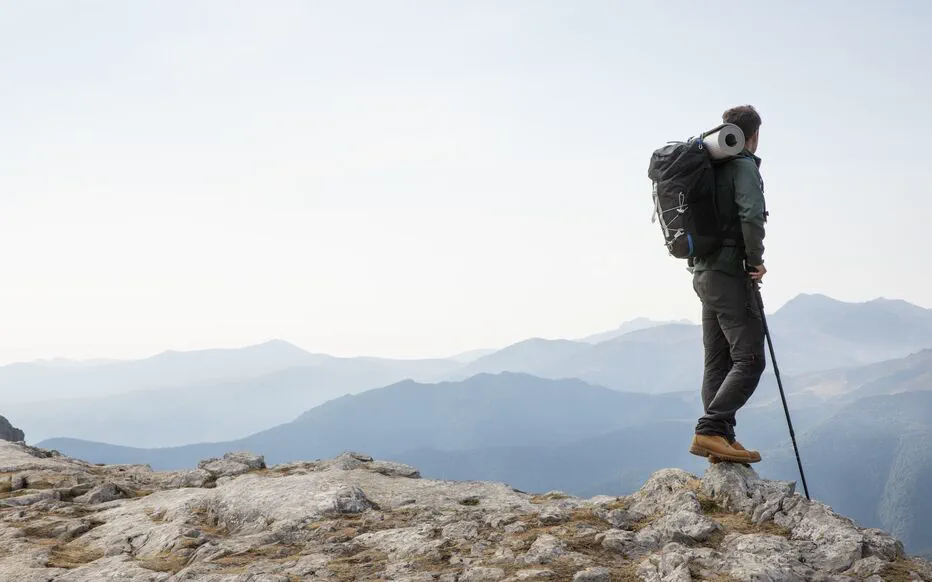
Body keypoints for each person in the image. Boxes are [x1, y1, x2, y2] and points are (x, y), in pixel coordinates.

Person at [687, 104, 768, 464]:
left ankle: (721, 439)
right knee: (750, 359)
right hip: (730, 274)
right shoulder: (743, 165)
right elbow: (751, 215)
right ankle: (711, 429)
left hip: (703, 274)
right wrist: (755, 260)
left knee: (717, 361)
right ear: (754, 135)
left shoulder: (708, 165)